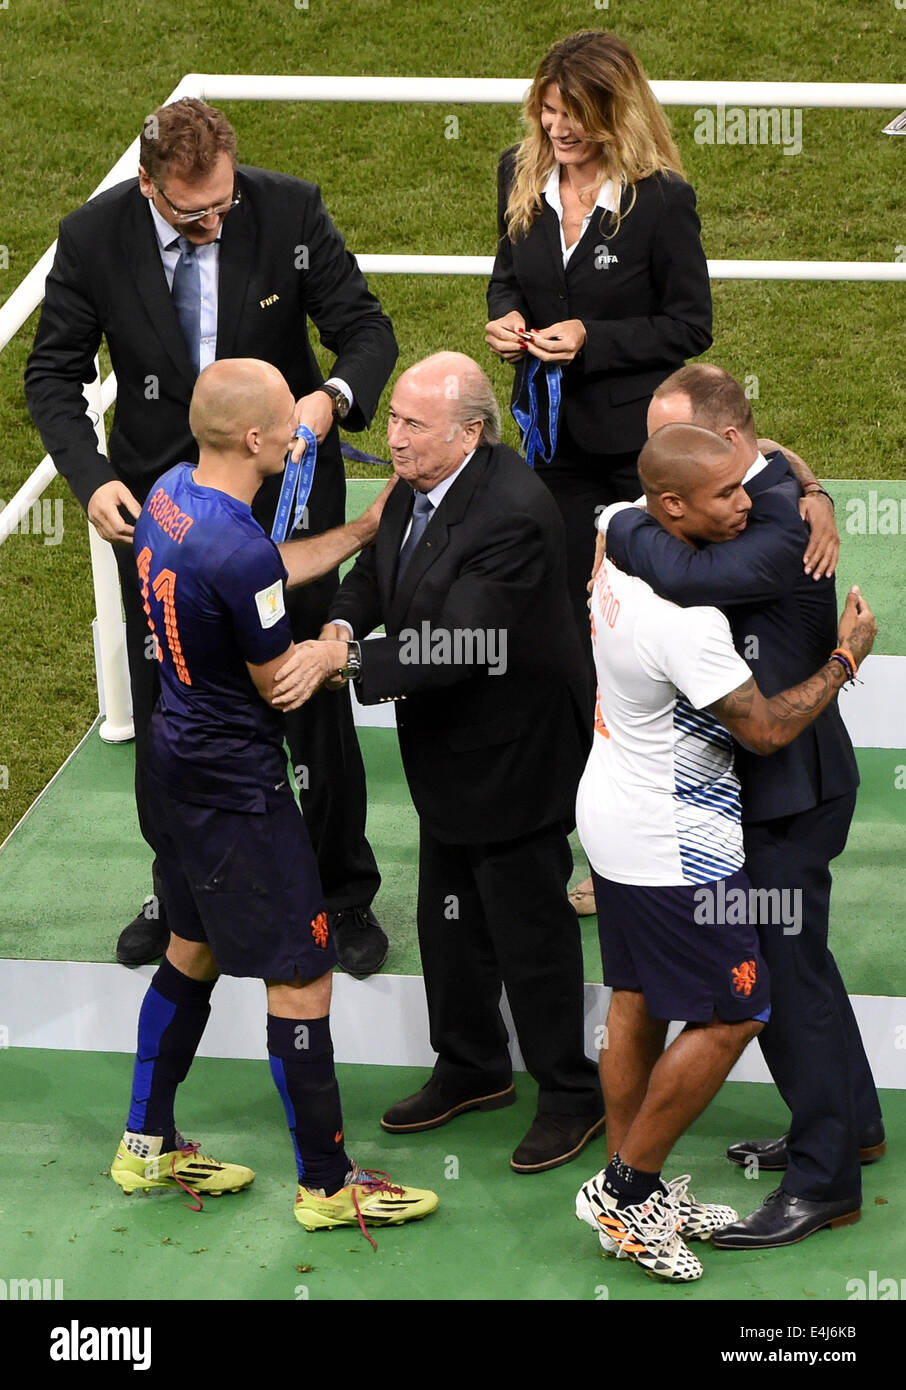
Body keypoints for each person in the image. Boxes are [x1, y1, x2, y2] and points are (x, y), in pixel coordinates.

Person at [25, 97, 396, 976]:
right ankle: (181, 891)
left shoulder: (289, 208)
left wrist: (332, 399)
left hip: (287, 501)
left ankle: (343, 895)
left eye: (224, 202)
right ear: (148, 184)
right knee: (170, 706)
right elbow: (54, 374)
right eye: (195, 212)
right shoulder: (91, 238)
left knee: (307, 696)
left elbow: (365, 332)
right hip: (160, 521)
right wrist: (93, 478)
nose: (216, 220)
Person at [110, 357, 436, 1243]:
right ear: (256, 439)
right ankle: (328, 1185)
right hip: (236, 789)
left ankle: (146, 1141)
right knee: (301, 973)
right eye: (289, 421)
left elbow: (255, 573)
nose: (301, 430)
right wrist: (329, 661)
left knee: (191, 944)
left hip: (173, 758)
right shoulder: (238, 545)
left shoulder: (171, 491)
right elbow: (275, 676)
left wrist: (359, 534)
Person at [273, 352, 604, 1173]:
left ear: (471, 433)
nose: (394, 438)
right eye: (391, 420)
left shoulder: (514, 514)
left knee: (528, 927)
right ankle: (471, 1065)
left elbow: (460, 646)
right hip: (452, 751)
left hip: (515, 753)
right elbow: (376, 578)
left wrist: (342, 667)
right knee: (448, 915)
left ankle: (570, 1091)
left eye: (412, 425)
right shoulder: (416, 487)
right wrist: (345, 627)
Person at [573, 422, 877, 1281]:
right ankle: (638, 1186)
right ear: (673, 503)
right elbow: (769, 725)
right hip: (690, 831)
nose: (747, 502)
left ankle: (830, 1163)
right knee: (761, 991)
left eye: (746, 477)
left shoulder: (642, 538)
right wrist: (850, 657)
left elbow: (667, 513)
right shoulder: (681, 600)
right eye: (725, 493)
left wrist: (806, 486)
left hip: (694, 815)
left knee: (736, 985)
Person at [485, 28, 712, 918]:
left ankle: (646, 844)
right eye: (549, 110)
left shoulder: (661, 201)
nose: (558, 129)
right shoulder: (518, 170)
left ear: (618, 113)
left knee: (631, 650)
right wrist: (507, 319)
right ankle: (570, 836)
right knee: (559, 648)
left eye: (576, 116)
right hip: (546, 454)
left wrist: (592, 342)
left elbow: (688, 325)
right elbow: (508, 275)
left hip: (631, 460)